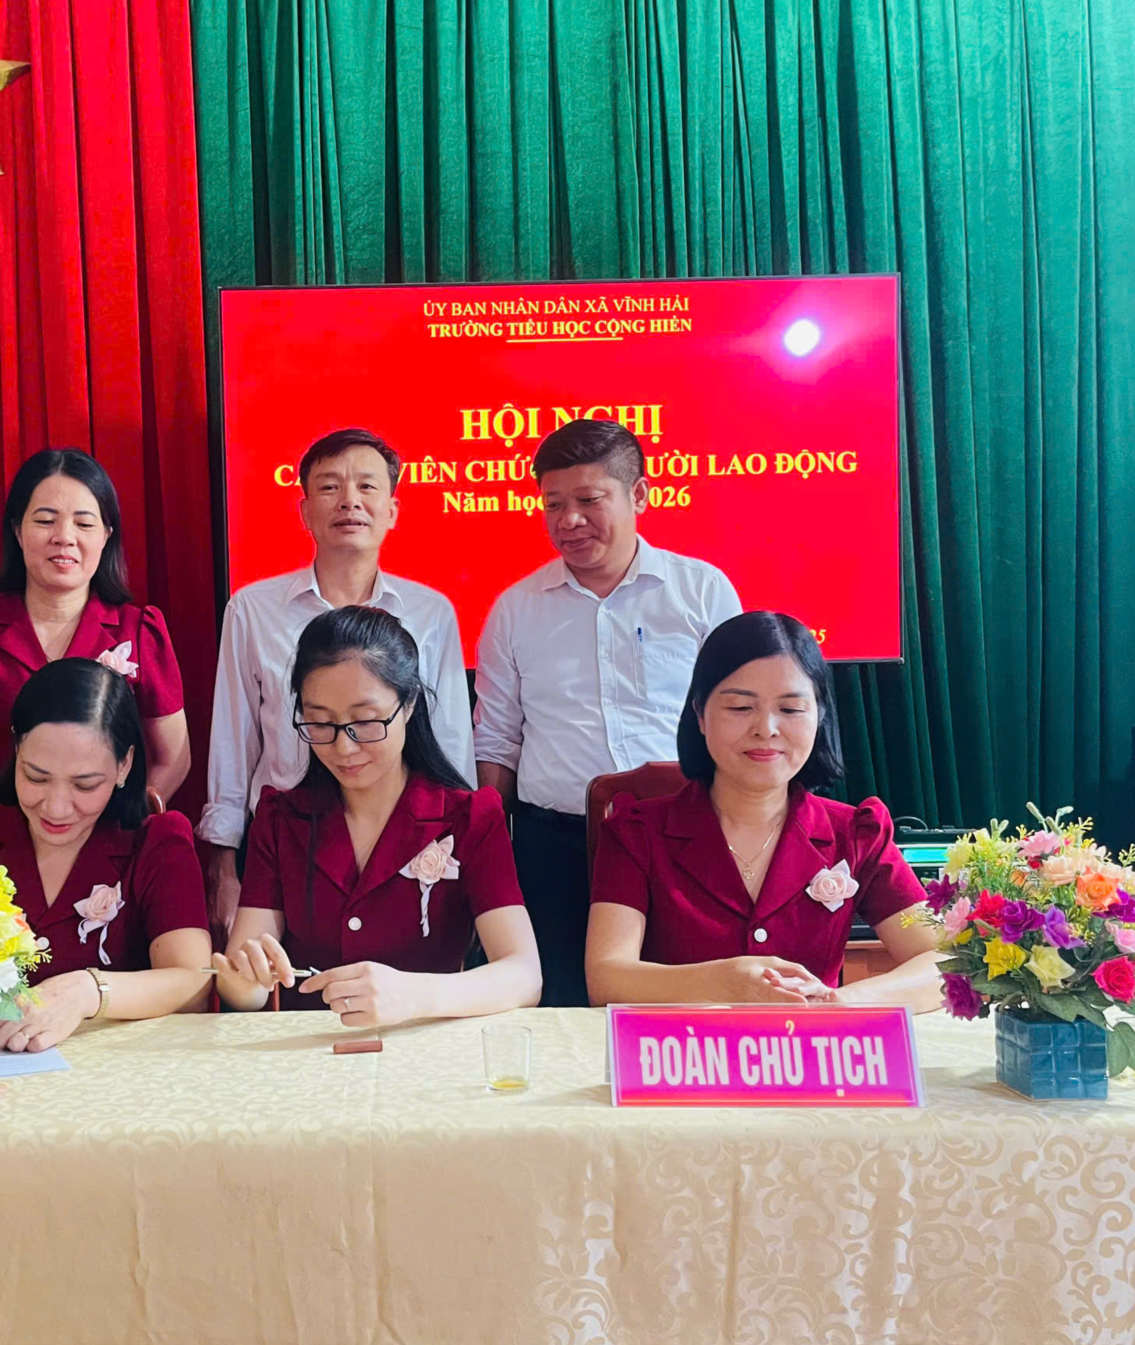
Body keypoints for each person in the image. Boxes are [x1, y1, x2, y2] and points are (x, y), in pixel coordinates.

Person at [474, 418, 741, 1007]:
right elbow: (496, 741)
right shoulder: (515, 610)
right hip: (556, 850)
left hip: (683, 838)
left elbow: (736, 719)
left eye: (589, 500)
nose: (569, 520)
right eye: (553, 504)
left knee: (686, 1003)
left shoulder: (702, 592)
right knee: (562, 1008)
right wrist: (487, 854)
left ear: (639, 495)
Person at [586, 611, 943, 1010]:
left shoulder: (857, 834)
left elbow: (944, 962)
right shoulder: (636, 832)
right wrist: (722, 983)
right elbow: (607, 977)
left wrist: (838, 1001)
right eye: (741, 707)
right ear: (700, 715)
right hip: (682, 1046)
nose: (766, 728)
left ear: (819, 716)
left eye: (790, 710)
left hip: (808, 1046)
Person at [203, 428, 473, 940]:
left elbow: (452, 741)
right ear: (305, 512)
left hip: (402, 845)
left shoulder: (431, 612)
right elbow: (234, 743)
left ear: (392, 511)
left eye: (367, 486)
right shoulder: (252, 610)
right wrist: (223, 866)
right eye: (330, 487)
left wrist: (465, 853)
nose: (350, 500)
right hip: (283, 844)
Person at [212, 606, 539, 1026]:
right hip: (310, 1055)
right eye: (320, 723)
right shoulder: (281, 820)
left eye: (365, 722)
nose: (344, 748)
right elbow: (245, 988)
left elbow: (524, 975)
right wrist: (243, 980)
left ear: (409, 704)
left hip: (426, 1050)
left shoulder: (469, 818)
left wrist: (414, 996)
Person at [0, 657, 213, 1052]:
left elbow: (192, 981)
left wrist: (87, 991)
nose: (56, 808)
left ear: (124, 765)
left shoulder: (156, 845)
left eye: (84, 785)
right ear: (17, 749)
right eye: (36, 777)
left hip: (118, 1071)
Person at [0, 447, 189, 828]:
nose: (64, 537)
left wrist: (116, 819)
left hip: (107, 841)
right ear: (17, 530)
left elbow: (173, 757)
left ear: (107, 535)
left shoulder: (140, 630)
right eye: (46, 521)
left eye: (84, 524)